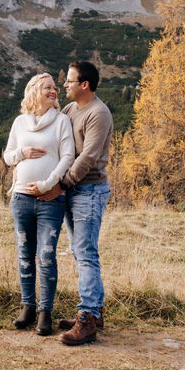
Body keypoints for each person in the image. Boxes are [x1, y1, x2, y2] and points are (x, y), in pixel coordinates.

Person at [3, 73, 75, 336]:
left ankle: (46, 311)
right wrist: (23, 153)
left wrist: (48, 184)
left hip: (50, 200)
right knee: (24, 254)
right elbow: (8, 156)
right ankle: (28, 307)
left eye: (55, 87)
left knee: (45, 256)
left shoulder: (61, 122)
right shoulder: (20, 123)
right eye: (48, 87)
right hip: (21, 198)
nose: (54, 90)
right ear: (34, 91)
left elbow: (67, 157)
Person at [57, 61, 113, 346]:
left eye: (69, 81)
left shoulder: (98, 113)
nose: (64, 85)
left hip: (88, 190)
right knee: (80, 253)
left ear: (84, 85)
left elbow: (88, 156)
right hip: (72, 190)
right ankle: (93, 312)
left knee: (86, 253)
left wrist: (62, 183)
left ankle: (88, 319)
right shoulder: (70, 110)